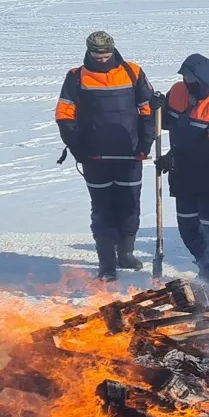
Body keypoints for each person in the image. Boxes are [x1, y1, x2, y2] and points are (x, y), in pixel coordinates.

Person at [55, 31, 156, 281]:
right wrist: (76, 147)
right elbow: (64, 114)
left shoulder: (133, 72)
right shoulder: (76, 77)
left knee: (130, 205)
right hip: (94, 157)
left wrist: (146, 143)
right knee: (102, 209)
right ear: (88, 52)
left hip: (130, 154)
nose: (101, 59)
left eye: (106, 55)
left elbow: (147, 110)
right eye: (97, 55)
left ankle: (126, 253)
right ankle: (106, 261)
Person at [156, 54, 209, 291]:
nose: (186, 82)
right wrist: (157, 108)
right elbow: (166, 121)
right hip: (183, 176)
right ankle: (204, 263)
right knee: (187, 226)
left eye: (190, 78)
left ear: (204, 80)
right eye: (184, 77)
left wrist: (177, 157)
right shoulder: (178, 91)